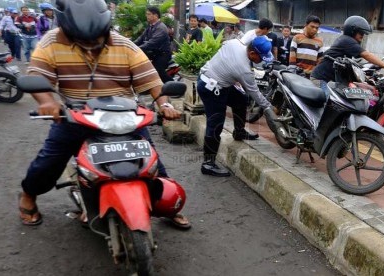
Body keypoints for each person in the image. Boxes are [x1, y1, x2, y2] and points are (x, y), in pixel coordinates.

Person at [18, 0, 191, 229]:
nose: (91, 44)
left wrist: (164, 104)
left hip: (124, 115)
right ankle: (28, 195)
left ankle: (165, 205)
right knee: (49, 162)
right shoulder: (50, 42)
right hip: (77, 115)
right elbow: (39, 77)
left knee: (152, 164)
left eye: (97, 37)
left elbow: (151, 79)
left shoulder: (124, 44)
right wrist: (48, 102)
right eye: (82, 39)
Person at [197, 36, 283, 177]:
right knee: (216, 124)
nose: (261, 61)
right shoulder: (243, 69)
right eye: (261, 58)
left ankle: (239, 131)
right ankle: (208, 164)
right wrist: (269, 108)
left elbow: (223, 45)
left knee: (240, 99)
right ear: (252, 54)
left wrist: (225, 69)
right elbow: (254, 92)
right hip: (211, 88)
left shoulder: (235, 42)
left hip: (219, 81)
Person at [311, 15, 384, 96]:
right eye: (360, 32)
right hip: (320, 79)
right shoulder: (346, 40)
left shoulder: (346, 42)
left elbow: (358, 63)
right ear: (352, 31)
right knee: (328, 101)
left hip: (330, 81)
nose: (362, 35)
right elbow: (366, 54)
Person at [134, 6, 173, 83]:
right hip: (154, 53)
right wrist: (129, 45)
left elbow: (151, 43)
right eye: (147, 14)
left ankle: (174, 87)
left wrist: (137, 49)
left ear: (155, 15)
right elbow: (140, 38)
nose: (146, 16)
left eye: (149, 14)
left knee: (156, 70)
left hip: (163, 54)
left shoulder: (161, 28)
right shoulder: (150, 26)